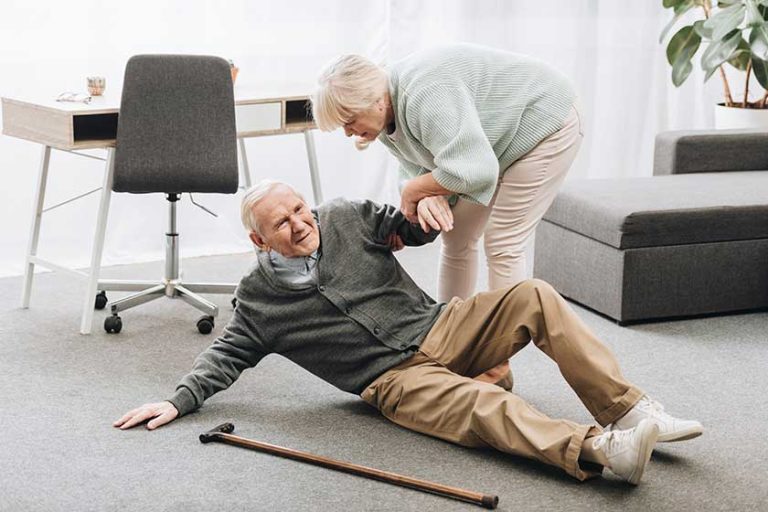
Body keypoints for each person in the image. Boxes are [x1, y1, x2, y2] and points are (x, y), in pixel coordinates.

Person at [114, 180, 702, 485]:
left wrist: (425, 215)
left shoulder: (343, 215)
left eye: (300, 210)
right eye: (282, 223)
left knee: (534, 295)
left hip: (443, 326)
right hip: (393, 380)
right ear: (258, 241)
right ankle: (601, 451)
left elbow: (407, 229)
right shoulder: (258, 301)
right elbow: (225, 354)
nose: (301, 224)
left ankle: (626, 409)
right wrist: (175, 400)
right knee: (480, 405)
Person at [312, 43, 582, 304]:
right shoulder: (383, 117)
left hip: (545, 120)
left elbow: (476, 170)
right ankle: (454, 339)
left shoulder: (423, 93)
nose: (348, 133)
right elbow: (419, 166)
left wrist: (415, 190)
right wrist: (427, 194)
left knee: (502, 241)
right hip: (491, 146)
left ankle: (502, 347)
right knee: (458, 236)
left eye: (349, 122)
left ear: (375, 100)